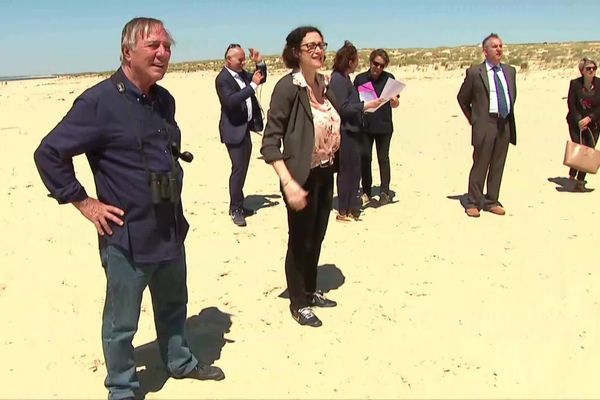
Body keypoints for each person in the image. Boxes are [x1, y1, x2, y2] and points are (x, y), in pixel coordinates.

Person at [33, 17, 224, 400]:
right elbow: (48, 153)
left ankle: (179, 361)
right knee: (122, 323)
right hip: (126, 235)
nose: (163, 53)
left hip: (169, 226)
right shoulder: (99, 102)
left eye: (167, 46)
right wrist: (85, 203)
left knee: (174, 304)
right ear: (127, 52)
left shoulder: (164, 99)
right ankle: (122, 387)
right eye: (154, 45)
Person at [260, 26, 340, 328]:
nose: (318, 50)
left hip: (324, 171)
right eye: (311, 46)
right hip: (299, 177)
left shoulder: (325, 84)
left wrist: (371, 106)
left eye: (321, 45)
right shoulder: (288, 88)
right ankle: (298, 302)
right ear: (296, 52)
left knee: (317, 235)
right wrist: (287, 181)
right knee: (300, 240)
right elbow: (270, 141)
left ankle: (309, 288)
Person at [457, 33, 517, 218]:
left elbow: (512, 94)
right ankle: (473, 201)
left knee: (498, 164)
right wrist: (474, 119)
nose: (499, 49)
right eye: (494, 46)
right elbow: (462, 98)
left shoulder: (509, 71)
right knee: (480, 164)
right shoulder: (475, 72)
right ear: (485, 51)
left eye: (500, 46)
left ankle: (491, 200)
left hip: (504, 123)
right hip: (485, 124)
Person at [329, 41, 385, 221]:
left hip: (354, 130)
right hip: (346, 132)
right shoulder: (338, 79)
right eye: (356, 60)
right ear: (349, 61)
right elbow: (343, 108)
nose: (358, 63)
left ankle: (352, 207)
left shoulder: (345, 78)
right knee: (347, 171)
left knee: (355, 171)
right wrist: (365, 105)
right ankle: (343, 210)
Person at [215, 44, 267, 227]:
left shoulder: (243, 74)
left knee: (243, 168)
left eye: (245, 58)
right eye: (240, 59)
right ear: (229, 59)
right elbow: (231, 102)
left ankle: (239, 203)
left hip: (245, 129)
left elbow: (261, 79)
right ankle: (235, 208)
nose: (244, 62)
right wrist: (252, 85)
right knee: (238, 168)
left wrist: (259, 63)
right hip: (233, 131)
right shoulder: (222, 79)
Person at [353, 49, 400, 207]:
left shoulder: (389, 78)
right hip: (365, 126)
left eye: (382, 65)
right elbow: (355, 104)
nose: (378, 68)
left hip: (384, 126)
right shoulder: (361, 79)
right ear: (370, 62)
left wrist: (394, 101)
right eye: (375, 64)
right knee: (365, 158)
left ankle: (385, 191)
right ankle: (366, 191)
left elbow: (396, 104)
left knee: (383, 158)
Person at [566, 57, 600, 191]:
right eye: (588, 68)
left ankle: (580, 181)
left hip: (595, 122)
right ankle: (573, 170)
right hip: (576, 122)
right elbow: (571, 103)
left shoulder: (599, 84)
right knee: (579, 147)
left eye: (594, 68)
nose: (591, 70)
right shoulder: (575, 84)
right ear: (582, 71)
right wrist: (579, 119)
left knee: (588, 150)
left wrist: (590, 118)